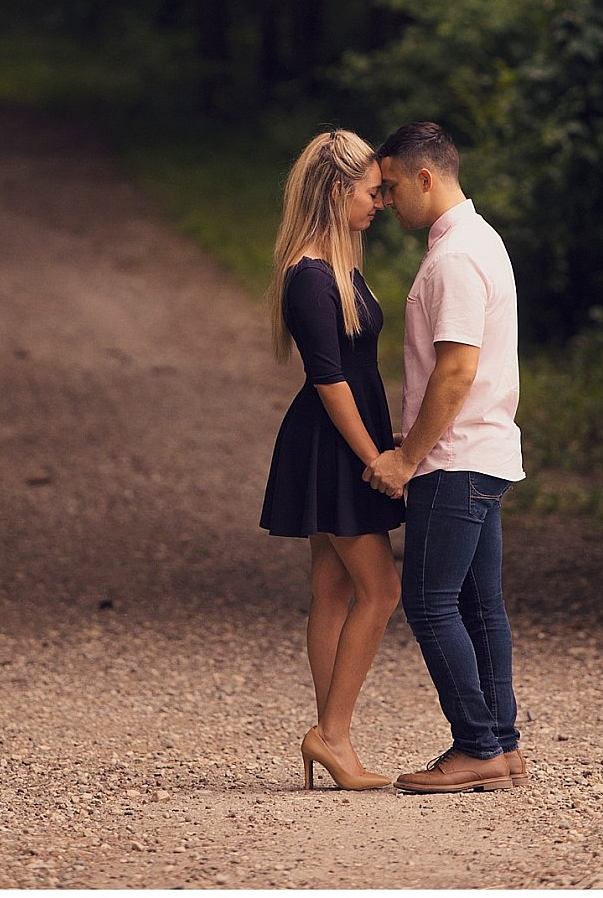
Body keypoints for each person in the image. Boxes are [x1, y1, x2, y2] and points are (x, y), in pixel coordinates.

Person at [365, 120, 527, 795]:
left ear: (426, 177)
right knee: (479, 604)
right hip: (483, 454)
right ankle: (504, 746)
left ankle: (476, 745)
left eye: (393, 185)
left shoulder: (457, 256)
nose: (385, 202)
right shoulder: (479, 240)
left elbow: (456, 371)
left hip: (454, 458)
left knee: (432, 605)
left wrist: (406, 457)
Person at [259, 129, 405, 792]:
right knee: (383, 589)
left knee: (334, 588)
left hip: (341, 437)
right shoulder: (310, 275)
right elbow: (329, 378)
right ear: (338, 189)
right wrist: (375, 455)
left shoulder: (338, 264)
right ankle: (333, 735)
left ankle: (330, 737)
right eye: (372, 191)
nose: (380, 202)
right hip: (336, 442)